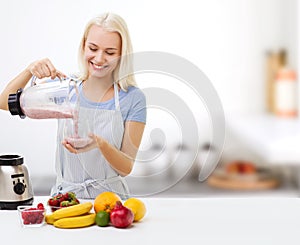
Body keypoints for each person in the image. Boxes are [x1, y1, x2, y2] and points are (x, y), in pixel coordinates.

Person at [0, 12, 146, 199]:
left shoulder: (133, 98)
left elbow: (126, 167)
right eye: (93, 48)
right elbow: (4, 102)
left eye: (110, 52)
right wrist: (30, 70)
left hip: (111, 203)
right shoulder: (65, 88)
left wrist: (99, 144)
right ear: (83, 46)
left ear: (122, 55)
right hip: (65, 200)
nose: (99, 59)